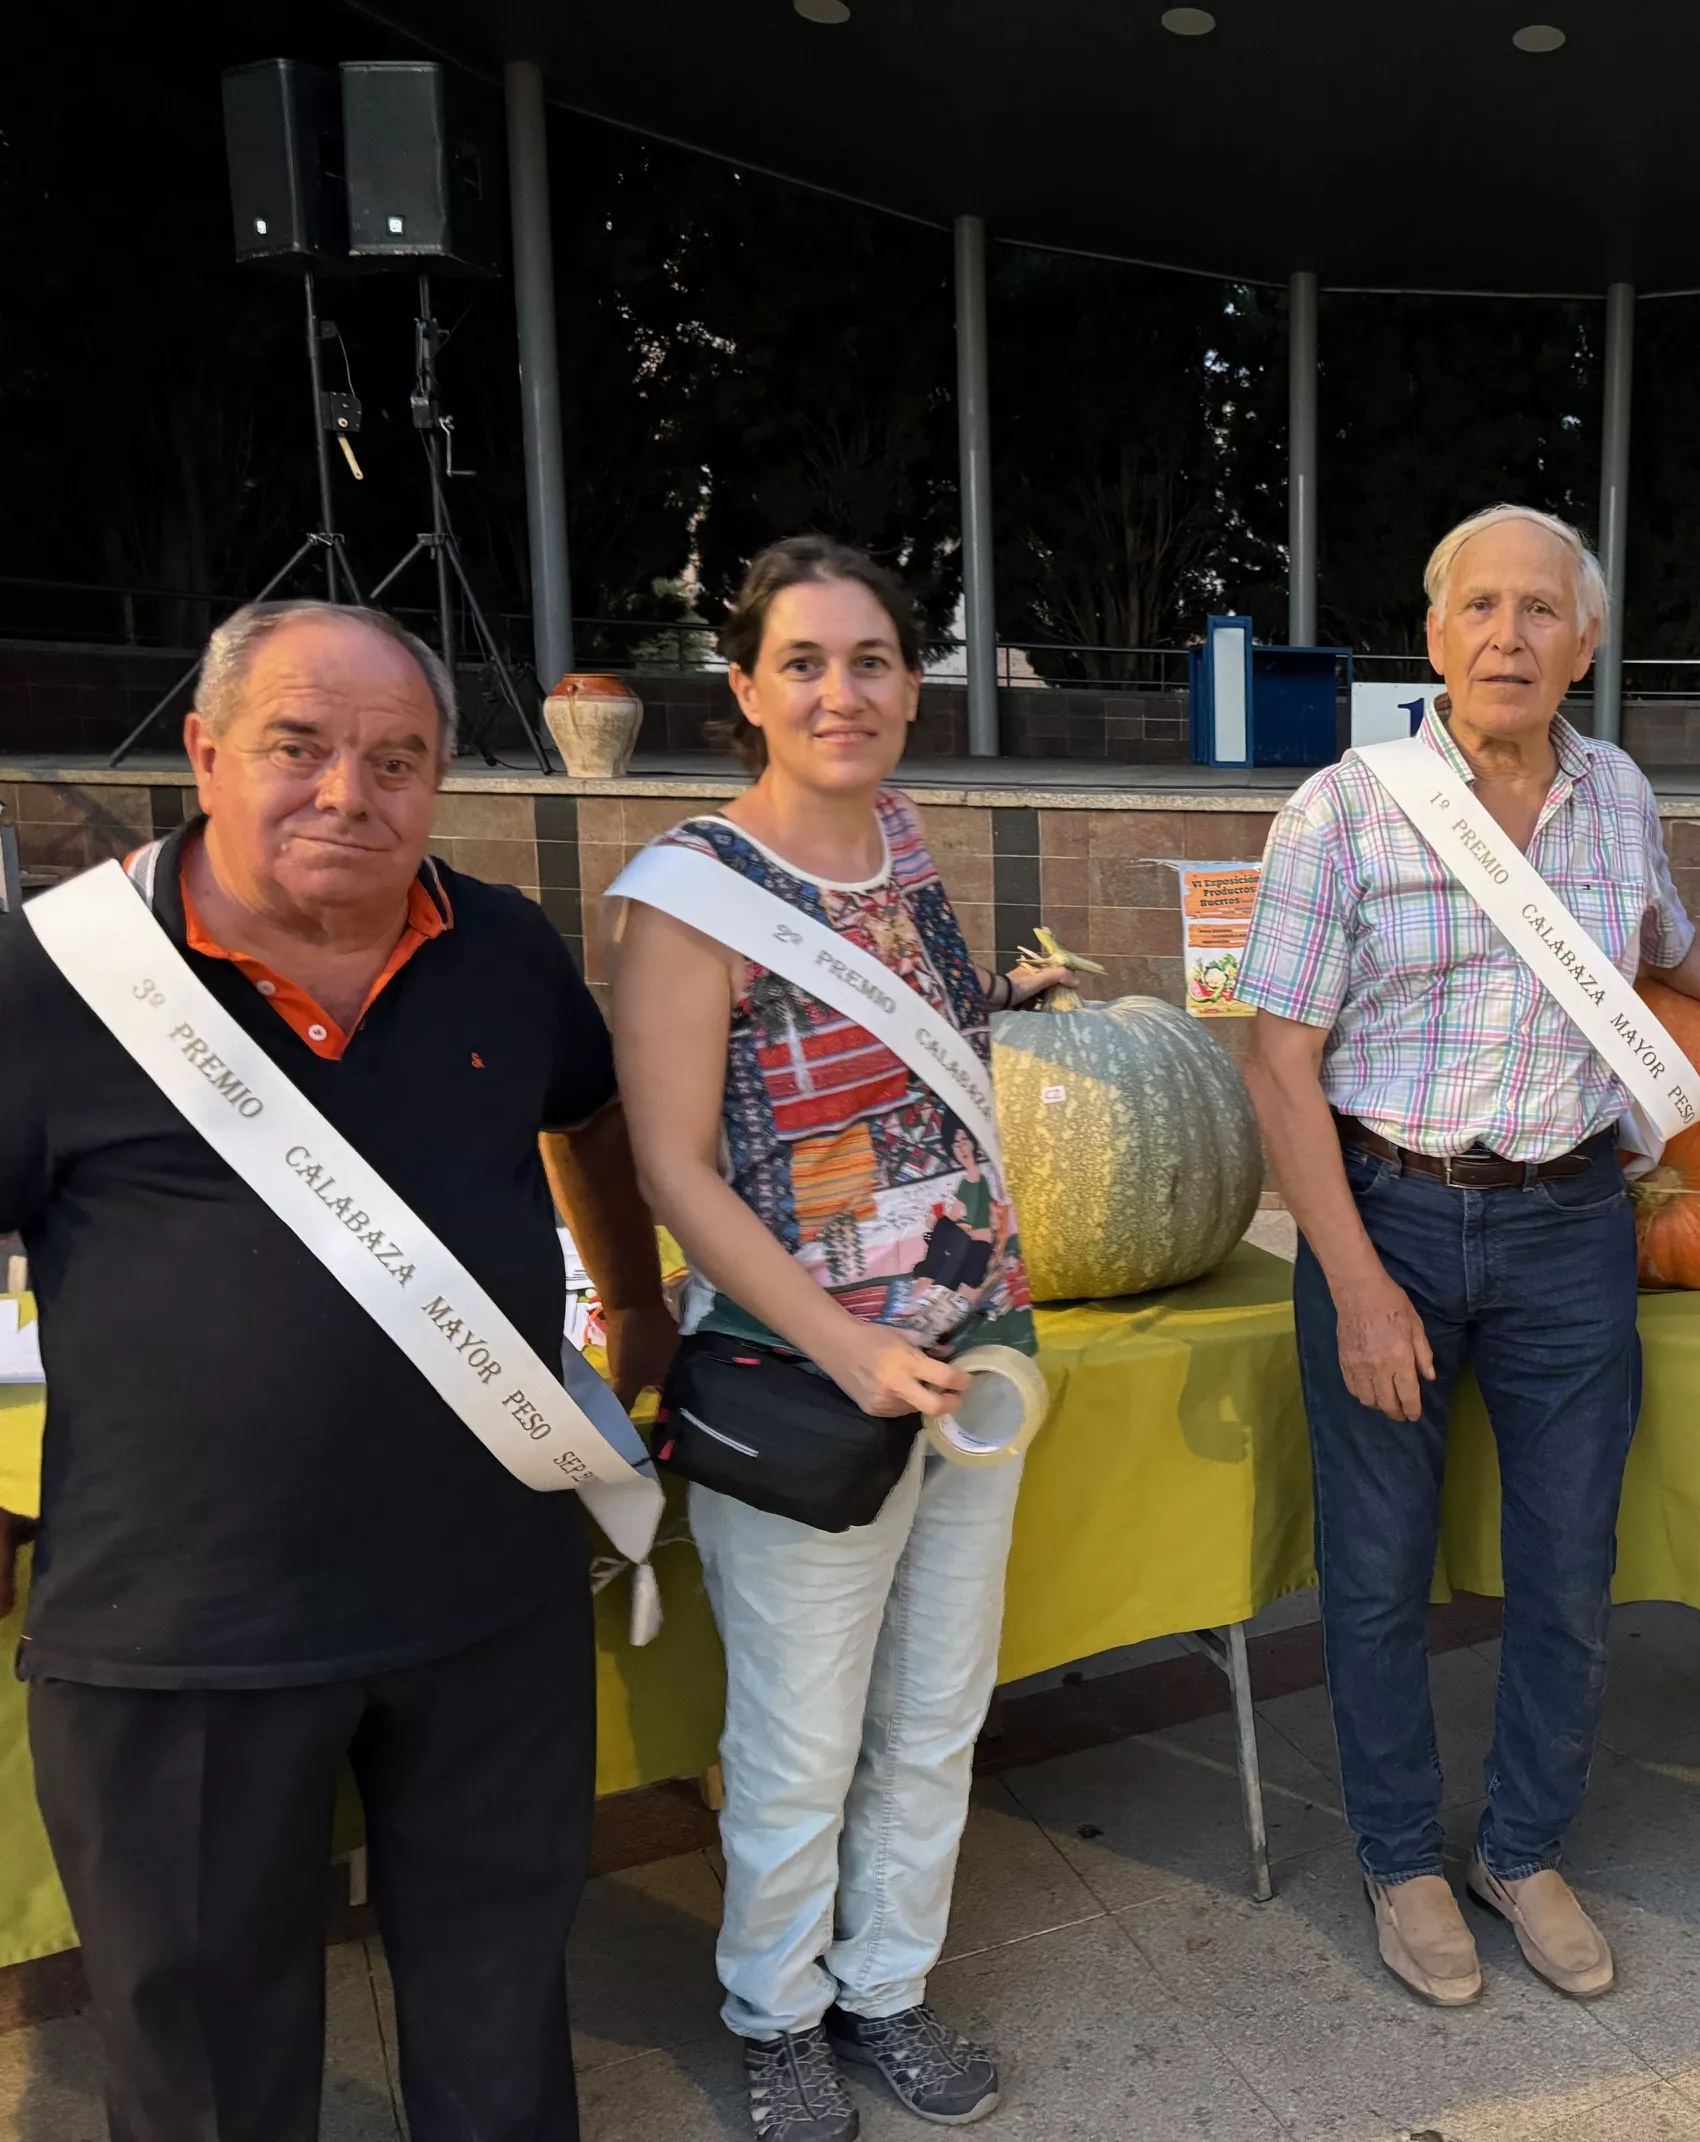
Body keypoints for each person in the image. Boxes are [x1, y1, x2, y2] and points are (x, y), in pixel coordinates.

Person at [0, 602, 678, 2142]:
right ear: (204, 752)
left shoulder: (499, 943)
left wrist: (633, 1297)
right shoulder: (52, 979)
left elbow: (582, 1111)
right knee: (208, 2067)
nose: (346, 794)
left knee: (502, 2014)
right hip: (186, 1640)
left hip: (488, 1607)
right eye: (298, 748)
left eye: (396, 759)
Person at [1239, 504, 1700, 2008]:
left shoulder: (1617, 790)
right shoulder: (1344, 807)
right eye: (1480, 607)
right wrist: (1356, 1278)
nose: (1509, 635)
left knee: (1568, 1568)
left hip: (1573, 1222)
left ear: (1586, 639)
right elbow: (1277, 1066)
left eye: (1540, 610)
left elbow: (1663, 936)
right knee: (1376, 1575)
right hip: (1393, 1214)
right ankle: (1399, 1860)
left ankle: (1523, 1845)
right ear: (1433, 637)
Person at [611, 536, 1070, 2141]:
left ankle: (887, 1984)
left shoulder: (904, 838)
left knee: (938, 1710)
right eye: (802, 661)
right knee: (803, 1737)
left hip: (978, 1347)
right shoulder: (689, 894)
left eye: (871, 659)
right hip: (805, 1377)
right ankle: (778, 2011)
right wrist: (847, 1341)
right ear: (743, 687)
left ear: (909, 682)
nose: (841, 691)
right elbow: (672, 1164)